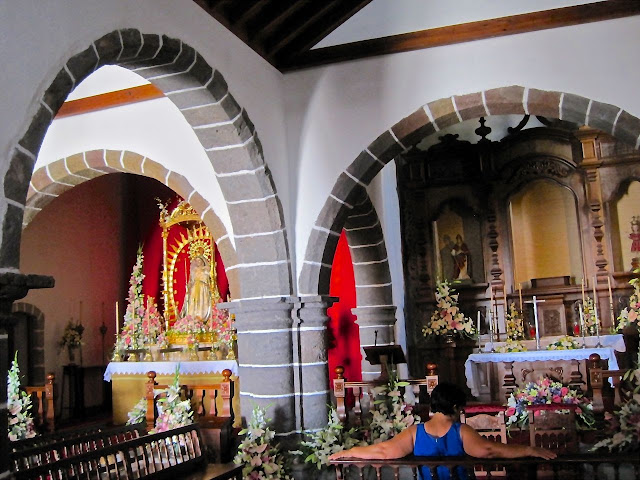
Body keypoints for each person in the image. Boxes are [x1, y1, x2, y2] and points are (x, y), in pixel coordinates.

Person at [329, 382, 555, 480]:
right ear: (455, 407)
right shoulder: (462, 431)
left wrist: (349, 452)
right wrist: (528, 449)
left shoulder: (414, 432)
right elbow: (489, 450)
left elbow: (383, 451)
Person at [181, 255, 212, 321]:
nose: (198, 262)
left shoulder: (206, 269)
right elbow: (191, 280)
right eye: (197, 261)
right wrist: (188, 287)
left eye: (199, 260)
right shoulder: (194, 270)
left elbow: (210, 279)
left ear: (203, 261)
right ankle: (193, 318)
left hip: (203, 287)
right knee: (194, 301)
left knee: (202, 301)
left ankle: (202, 317)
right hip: (195, 288)